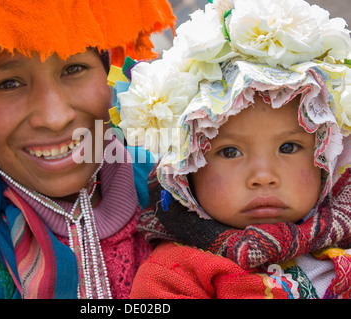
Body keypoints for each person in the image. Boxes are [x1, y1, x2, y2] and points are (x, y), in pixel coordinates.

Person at [0, 0, 175, 299]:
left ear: (107, 69)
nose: (55, 118)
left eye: (74, 68)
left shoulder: (183, 192)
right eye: (9, 84)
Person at [113, 0, 351, 298]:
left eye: (289, 147)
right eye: (229, 152)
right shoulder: (175, 275)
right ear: (185, 173)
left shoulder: (344, 235)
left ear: (326, 157)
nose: (263, 177)